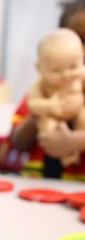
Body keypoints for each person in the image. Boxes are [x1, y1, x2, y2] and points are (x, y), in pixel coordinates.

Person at [11, 0, 85, 179]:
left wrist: (76, 141)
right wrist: (38, 114)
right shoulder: (42, 89)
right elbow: (17, 142)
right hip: (38, 185)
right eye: (79, 39)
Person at [27, 28, 85, 167]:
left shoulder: (80, 76)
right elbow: (32, 103)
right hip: (52, 114)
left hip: (78, 110)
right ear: (40, 68)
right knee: (47, 127)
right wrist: (47, 106)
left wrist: (75, 141)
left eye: (73, 66)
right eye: (56, 70)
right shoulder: (40, 84)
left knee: (83, 118)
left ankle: (73, 152)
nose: (66, 74)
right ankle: (62, 155)